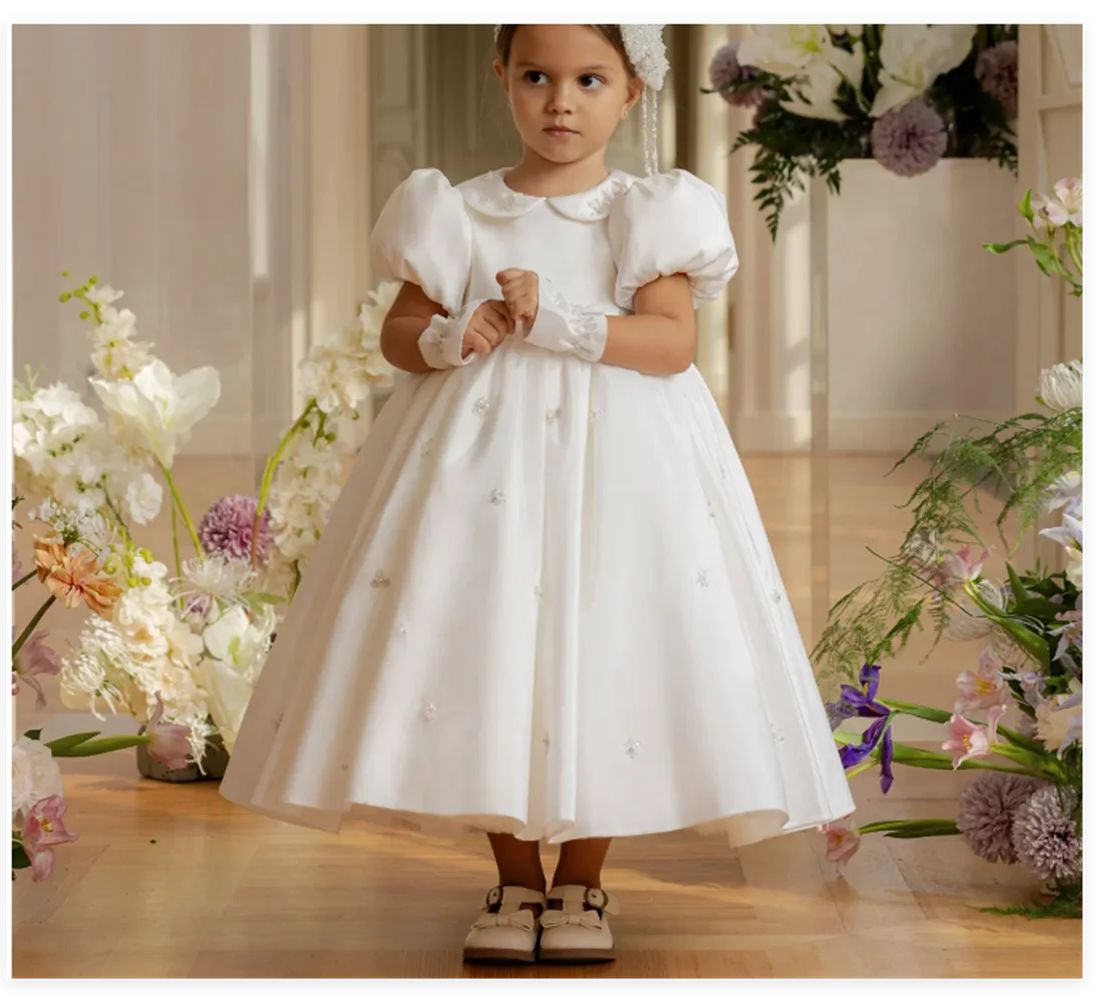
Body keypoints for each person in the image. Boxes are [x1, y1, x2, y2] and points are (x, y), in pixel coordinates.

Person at [220, 23, 855, 966]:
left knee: (608, 639)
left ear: (631, 90)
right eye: (537, 77)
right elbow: (400, 333)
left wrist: (555, 317)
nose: (562, 101)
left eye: (589, 79)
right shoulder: (456, 211)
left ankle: (584, 880)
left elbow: (670, 344)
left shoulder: (645, 213)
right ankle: (516, 877)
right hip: (481, 477)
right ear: (504, 81)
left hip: (625, 465)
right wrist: (452, 335)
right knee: (485, 643)